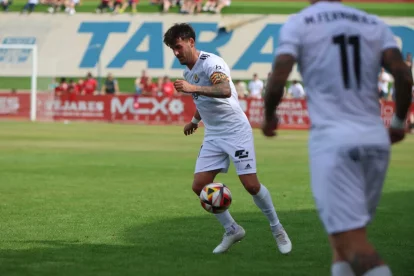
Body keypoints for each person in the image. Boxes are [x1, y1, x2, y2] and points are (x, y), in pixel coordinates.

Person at [262, 1, 413, 276]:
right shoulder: (373, 23)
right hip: (375, 140)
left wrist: (269, 115)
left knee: (353, 245)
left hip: (334, 143)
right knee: (341, 243)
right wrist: (400, 122)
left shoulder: (300, 23)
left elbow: (278, 76)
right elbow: (403, 74)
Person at [163, 23, 292, 255]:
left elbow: (223, 90)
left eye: (178, 47)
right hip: (213, 134)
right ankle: (232, 229)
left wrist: (192, 87)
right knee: (199, 186)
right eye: (172, 49)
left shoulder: (212, 62)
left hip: (235, 130)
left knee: (251, 185)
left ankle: (277, 228)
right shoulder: (188, 72)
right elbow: (203, 101)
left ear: (191, 42)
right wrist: (194, 120)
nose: (176, 53)